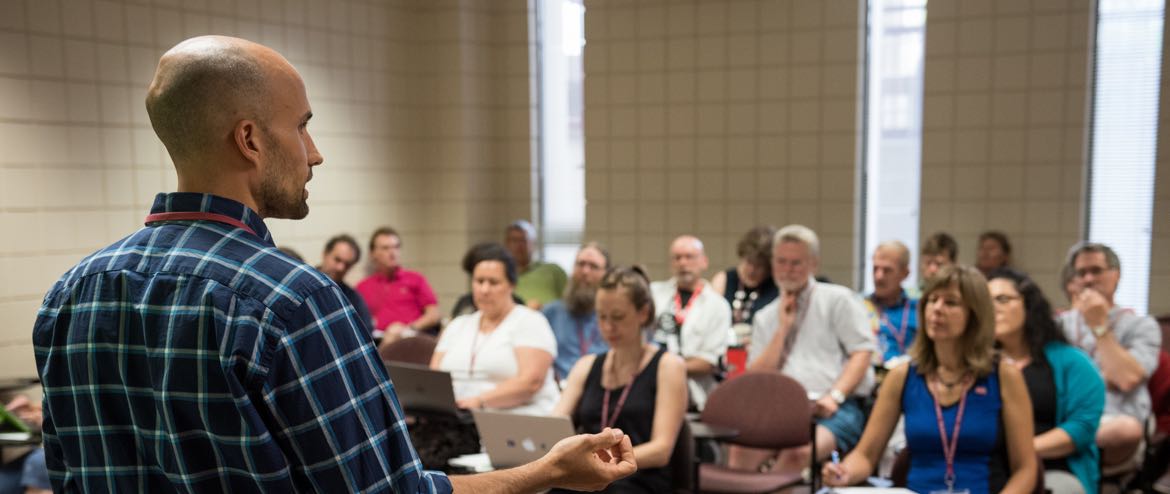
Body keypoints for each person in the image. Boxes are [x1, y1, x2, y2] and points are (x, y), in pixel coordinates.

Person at [31, 35, 634, 493]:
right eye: (302, 127)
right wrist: (546, 472)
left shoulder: (70, 294)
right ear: (250, 140)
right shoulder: (292, 300)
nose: (315, 153)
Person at [823, 265, 1037, 493]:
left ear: (975, 314)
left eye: (951, 302)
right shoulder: (902, 376)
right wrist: (843, 472)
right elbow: (866, 455)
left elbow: (1025, 468)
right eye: (932, 300)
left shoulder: (1004, 376)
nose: (937, 309)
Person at [734, 225, 875, 476]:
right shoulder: (767, 316)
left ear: (813, 265)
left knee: (796, 454)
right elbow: (757, 376)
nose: (787, 269)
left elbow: (862, 353)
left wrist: (835, 396)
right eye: (781, 262)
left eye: (796, 263)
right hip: (783, 409)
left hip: (837, 409)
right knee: (741, 451)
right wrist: (783, 330)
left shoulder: (838, 300)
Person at [552, 266, 688, 493]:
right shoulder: (586, 365)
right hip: (590, 476)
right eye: (602, 317)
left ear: (643, 313)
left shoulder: (668, 366)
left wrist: (603, 463)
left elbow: (661, 450)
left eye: (617, 317)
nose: (607, 327)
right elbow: (553, 425)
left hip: (639, 478)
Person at [989, 268, 1104, 494]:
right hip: (986, 466)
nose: (992, 308)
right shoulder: (977, 364)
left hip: (1053, 467)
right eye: (985, 301)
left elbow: (1081, 427)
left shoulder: (1072, 361)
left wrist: (1020, 452)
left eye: (1002, 299)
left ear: (1029, 305)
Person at [1058, 242, 1161, 466]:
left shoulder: (1141, 325)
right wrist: (1104, 376)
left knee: (1125, 431)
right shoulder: (1060, 324)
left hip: (1112, 422)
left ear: (1116, 276)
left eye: (1095, 271)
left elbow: (1125, 379)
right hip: (1064, 417)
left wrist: (1099, 327)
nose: (1087, 279)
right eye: (1080, 273)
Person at [431, 243, 561, 414]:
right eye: (479, 281)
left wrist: (478, 401)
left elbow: (531, 382)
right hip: (457, 419)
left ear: (511, 285)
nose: (484, 289)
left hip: (513, 420)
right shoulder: (458, 325)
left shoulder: (530, 321)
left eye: (493, 282)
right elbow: (434, 377)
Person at [649, 235, 732, 410]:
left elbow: (708, 362)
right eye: (677, 258)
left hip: (696, 398)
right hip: (651, 393)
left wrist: (660, 368)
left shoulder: (718, 306)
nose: (683, 263)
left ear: (704, 261)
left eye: (689, 257)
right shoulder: (654, 294)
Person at [357, 226, 441, 343]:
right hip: (377, 341)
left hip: (412, 340)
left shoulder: (415, 279)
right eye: (385, 248)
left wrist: (408, 329)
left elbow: (434, 315)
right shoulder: (362, 287)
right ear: (373, 254)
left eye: (396, 247)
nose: (392, 253)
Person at [542, 242, 612, 381]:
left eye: (593, 267)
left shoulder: (615, 317)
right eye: (580, 264)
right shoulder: (551, 313)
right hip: (558, 389)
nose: (585, 271)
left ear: (606, 275)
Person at [710, 226, 779, 338]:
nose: (752, 270)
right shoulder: (723, 279)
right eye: (749, 262)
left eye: (759, 266)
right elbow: (710, 322)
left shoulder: (777, 287)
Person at [865, 240, 918, 365]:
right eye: (875, 269)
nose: (879, 276)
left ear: (905, 273)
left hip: (904, 377)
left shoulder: (919, 310)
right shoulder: (858, 306)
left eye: (887, 270)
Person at [316, 233, 374, 331]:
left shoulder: (353, 298)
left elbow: (366, 330)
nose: (340, 268)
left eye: (347, 264)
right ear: (325, 254)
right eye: (337, 260)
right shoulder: (303, 285)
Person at [506, 219, 568, 309]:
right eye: (514, 240)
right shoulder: (501, 275)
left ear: (533, 243)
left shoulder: (553, 271)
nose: (519, 245)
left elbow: (570, 303)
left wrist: (545, 308)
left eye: (524, 240)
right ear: (507, 243)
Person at [0, 396, 50, 494]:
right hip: (36, 447)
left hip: (51, 451)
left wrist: (46, 422)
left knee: (37, 462)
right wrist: (31, 409)